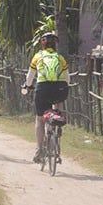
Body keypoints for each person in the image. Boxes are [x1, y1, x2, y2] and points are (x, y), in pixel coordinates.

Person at [23, 32, 69, 163]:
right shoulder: (60, 58)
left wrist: (27, 86)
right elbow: (67, 78)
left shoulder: (38, 56)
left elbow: (30, 76)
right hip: (60, 88)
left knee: (39, 119)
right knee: (58, 106)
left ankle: (39, 149)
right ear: (55, 45)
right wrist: (66, 86)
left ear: (42, 44)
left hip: (43, 89)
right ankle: (57, 127)